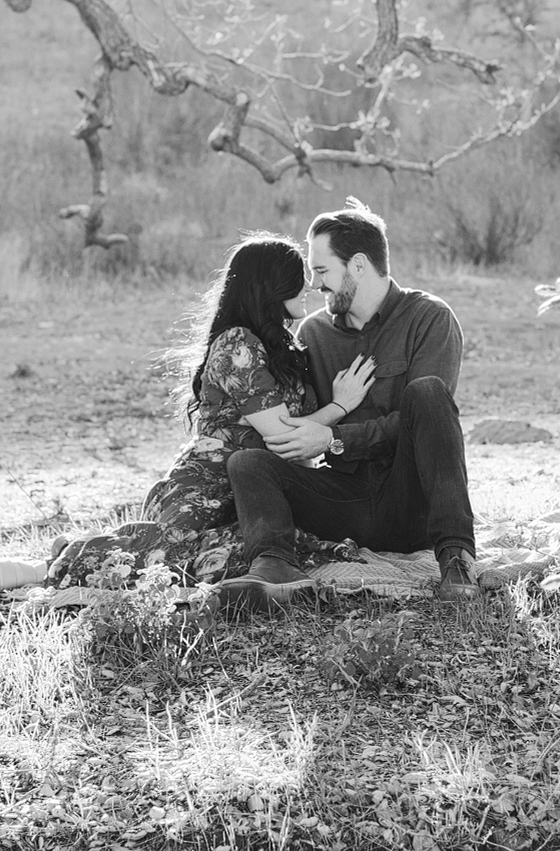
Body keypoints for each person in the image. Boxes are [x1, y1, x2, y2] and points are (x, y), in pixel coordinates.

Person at [20, 233, 370, 593]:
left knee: (286, 545)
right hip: (208, 488)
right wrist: (340, 406)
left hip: (255, 491)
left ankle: (75, 557)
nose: (309, 286)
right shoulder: (237, 343)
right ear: (271, 285)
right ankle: (69, 558)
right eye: (298, 279)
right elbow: (281, 433)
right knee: (179, 562)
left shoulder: (284, 345)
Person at [217, 198, 481, 609]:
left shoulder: (429, 318)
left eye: (322, 271)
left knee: (427, 392)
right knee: (247, 463)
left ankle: (456, 558)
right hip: (344, 502)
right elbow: (300, 426)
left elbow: (424, 422)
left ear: (358, 265)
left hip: (410, 497)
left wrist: (335, 439)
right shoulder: (313, 333)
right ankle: (274, 567)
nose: (315, 285)